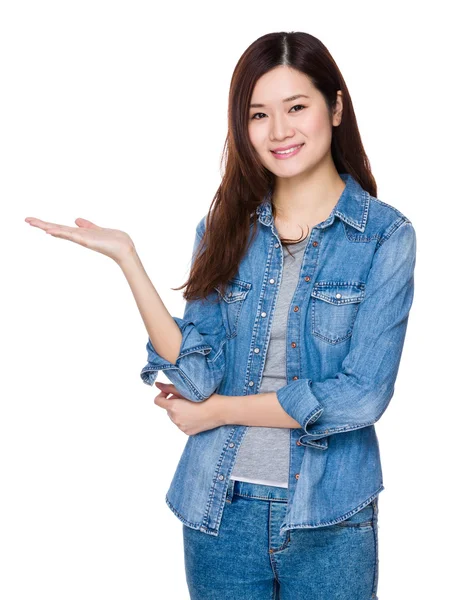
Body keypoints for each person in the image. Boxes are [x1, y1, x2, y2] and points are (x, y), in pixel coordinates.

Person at [25, 31, 416, 600]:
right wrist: (128, 260)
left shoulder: (385, 237)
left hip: (330, 515)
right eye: (259, 114)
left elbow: (361, 396)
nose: (278, 131)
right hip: (219, 506)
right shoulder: (224, 229)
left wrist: (219, 412)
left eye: (296, 107)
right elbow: (197, 375)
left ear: (335, 108)